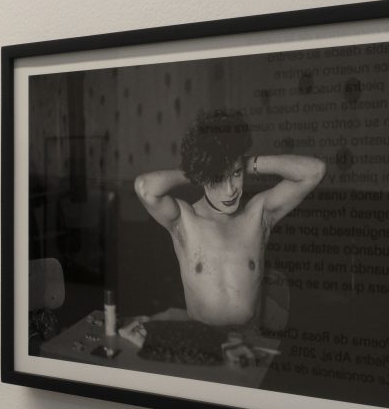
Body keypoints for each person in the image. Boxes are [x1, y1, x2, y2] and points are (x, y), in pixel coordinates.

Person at [134, 110, 325, 326]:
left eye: (236, 174)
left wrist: (246, 163)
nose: (230, 190)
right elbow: (144, 187)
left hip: (248, 342)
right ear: (202, 177)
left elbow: (315, 171)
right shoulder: (185, 219)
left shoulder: (259, 214)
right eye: (217, 179)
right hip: (203, 341)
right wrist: (201, 169)